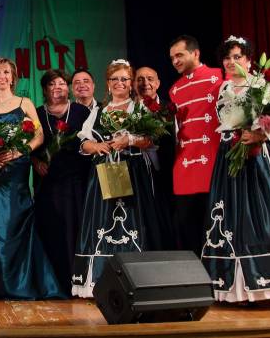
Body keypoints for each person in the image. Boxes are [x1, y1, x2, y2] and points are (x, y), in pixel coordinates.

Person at [201, 36, 270, 302]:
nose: (231, 62)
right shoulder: (223, 87)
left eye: (237, 57)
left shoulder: (260, 85)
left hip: (257, 158)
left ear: (249, 60)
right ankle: (235, 286)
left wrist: (259, 135)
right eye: (227, 58)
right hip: (229, 156)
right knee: (230, 216)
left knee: (263, 215)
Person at [72, 59, 171, 298]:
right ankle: (99, 281)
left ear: (131, 83)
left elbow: (152, 140)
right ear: (108, 83)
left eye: (124, 79)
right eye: (115, 79)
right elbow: (82, 142)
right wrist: (96, 146)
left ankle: (138, 280)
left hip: (134, 171)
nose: (119, 83)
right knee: (103, 221)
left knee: (135, 220)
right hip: (105, 173)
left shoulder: (140, 108)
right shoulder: (98, 111)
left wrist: (130, 140)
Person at [0, 57, 63, 299]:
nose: (2, 77)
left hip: (18, 171)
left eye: (6, 72)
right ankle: (3, 283)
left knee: (19, 223)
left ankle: (23, 283)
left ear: (13, 77)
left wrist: (20, 151)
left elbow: (39, 135)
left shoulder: (25, 103)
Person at [31, 69, 90, 288]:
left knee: (76, 229)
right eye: (52, 84)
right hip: (48, 183)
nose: (58, 87)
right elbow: (28, 144)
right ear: (45, 89)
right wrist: (35, 161)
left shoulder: (81, 111)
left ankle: (79, 280)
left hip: (76, 181)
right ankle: (54, 283)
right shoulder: (37, 114)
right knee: (51, 230)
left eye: (62, 83)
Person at [168, 35, 222, 252]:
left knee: (218, 225)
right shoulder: (174, 89)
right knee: (187, 226)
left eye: (179, 55)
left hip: (213, 162)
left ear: (196, 53)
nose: (175, 61)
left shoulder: (219, 76)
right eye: (172, 58)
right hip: (185, 167)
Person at [133, 66, 176, 243]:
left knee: (167, 219)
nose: (145, 83)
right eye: (140, 79)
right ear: (133, 83)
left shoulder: (170, 108)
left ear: (158, 83)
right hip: (137, 173)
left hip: (165, 172)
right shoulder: (128, 109)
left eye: (150, 79)